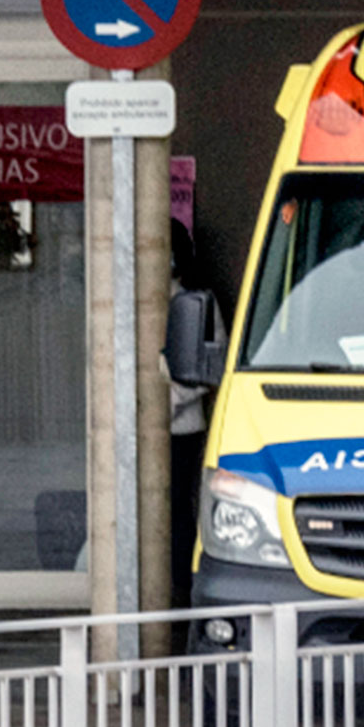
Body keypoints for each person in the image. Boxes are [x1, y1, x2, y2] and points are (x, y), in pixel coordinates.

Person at [168, 219, 211, 607]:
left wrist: (172, 394)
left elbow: (209, 367)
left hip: (181, 428)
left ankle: (180, 586)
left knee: (180, 511)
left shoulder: (197, 304)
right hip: (138, 425)